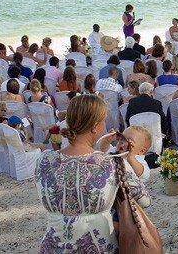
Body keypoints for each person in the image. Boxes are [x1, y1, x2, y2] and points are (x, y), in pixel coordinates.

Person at [35, 94, 144, 252]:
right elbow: (143, 199)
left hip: (53, 247)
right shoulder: (112, 162)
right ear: (95, 126)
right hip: (98, 246)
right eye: (104, 120)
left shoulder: (43, 160)